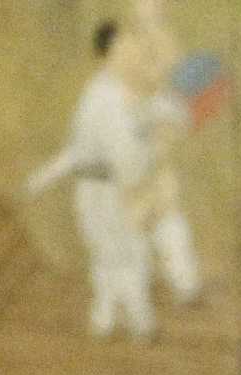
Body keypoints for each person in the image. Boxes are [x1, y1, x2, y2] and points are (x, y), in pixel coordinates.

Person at [25, 18, 200, 341]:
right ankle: (109, 318)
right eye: (121, 49)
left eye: (130, 47)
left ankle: (138, 323)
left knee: (128, 252)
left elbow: (161, 111)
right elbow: (83, 149)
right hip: (96, 188)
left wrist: (178, 116)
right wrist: (43, 177)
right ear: (106, 55)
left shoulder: (130, 88)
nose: (129, 54)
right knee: (108, 253)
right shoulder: (99, 96)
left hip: (116, 186)